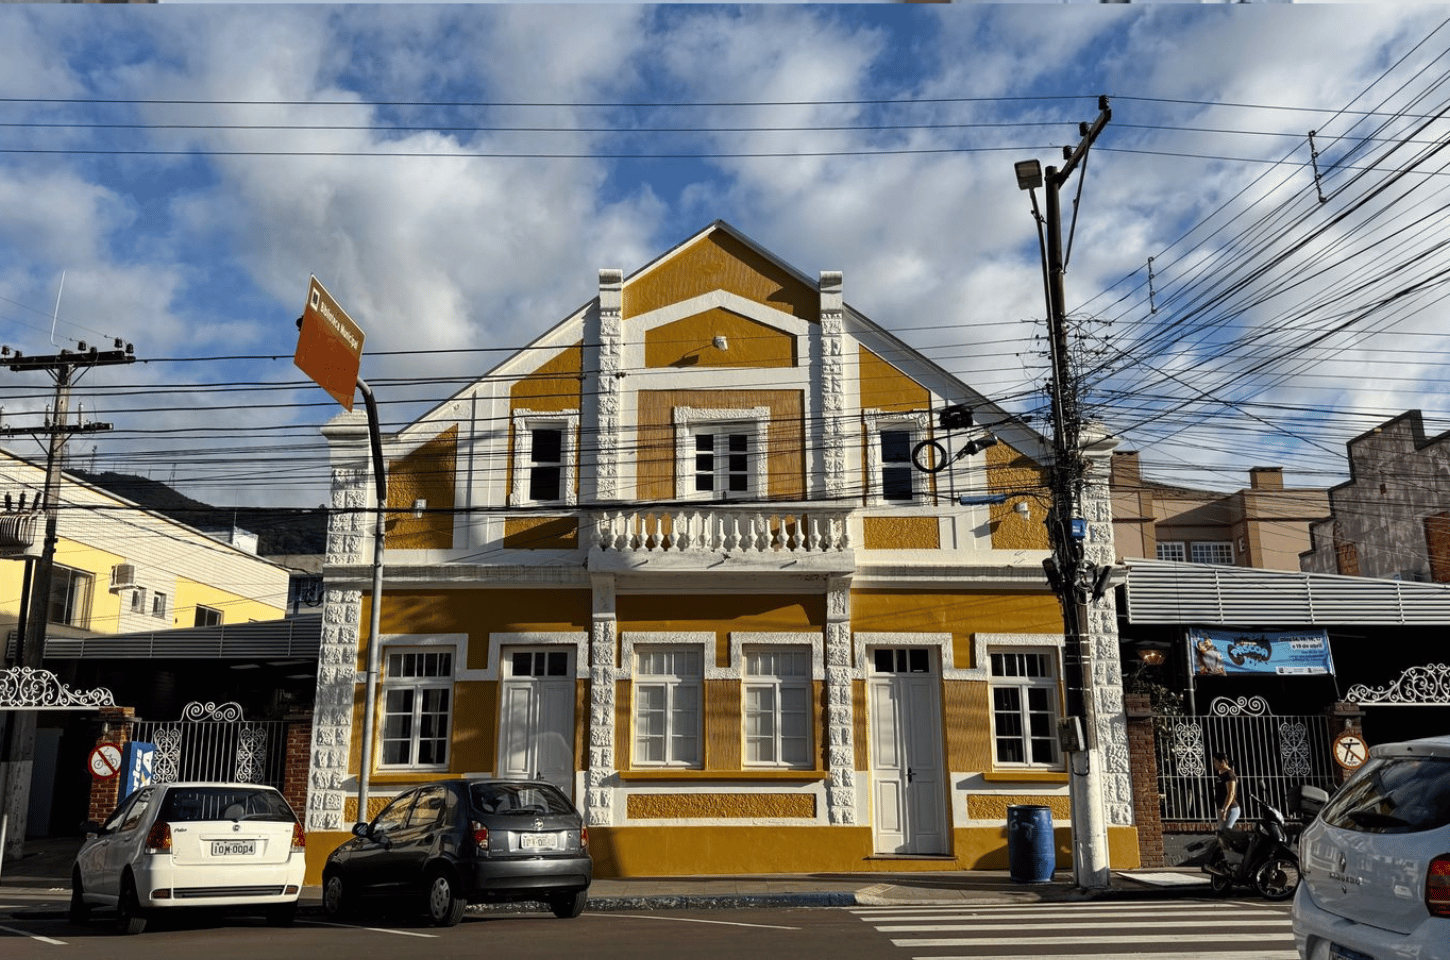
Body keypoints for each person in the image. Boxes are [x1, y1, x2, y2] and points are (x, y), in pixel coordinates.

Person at [1213, 753, 1241, 830]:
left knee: (1225, 832)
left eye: (1215, 761)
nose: (1214, 764)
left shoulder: (1229, 775)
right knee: (1221, 833)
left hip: (1230, 808)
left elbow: (1231, 793)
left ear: (1222, 762)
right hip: (1222, 808)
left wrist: (1224, 809)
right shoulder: (1222, 775)